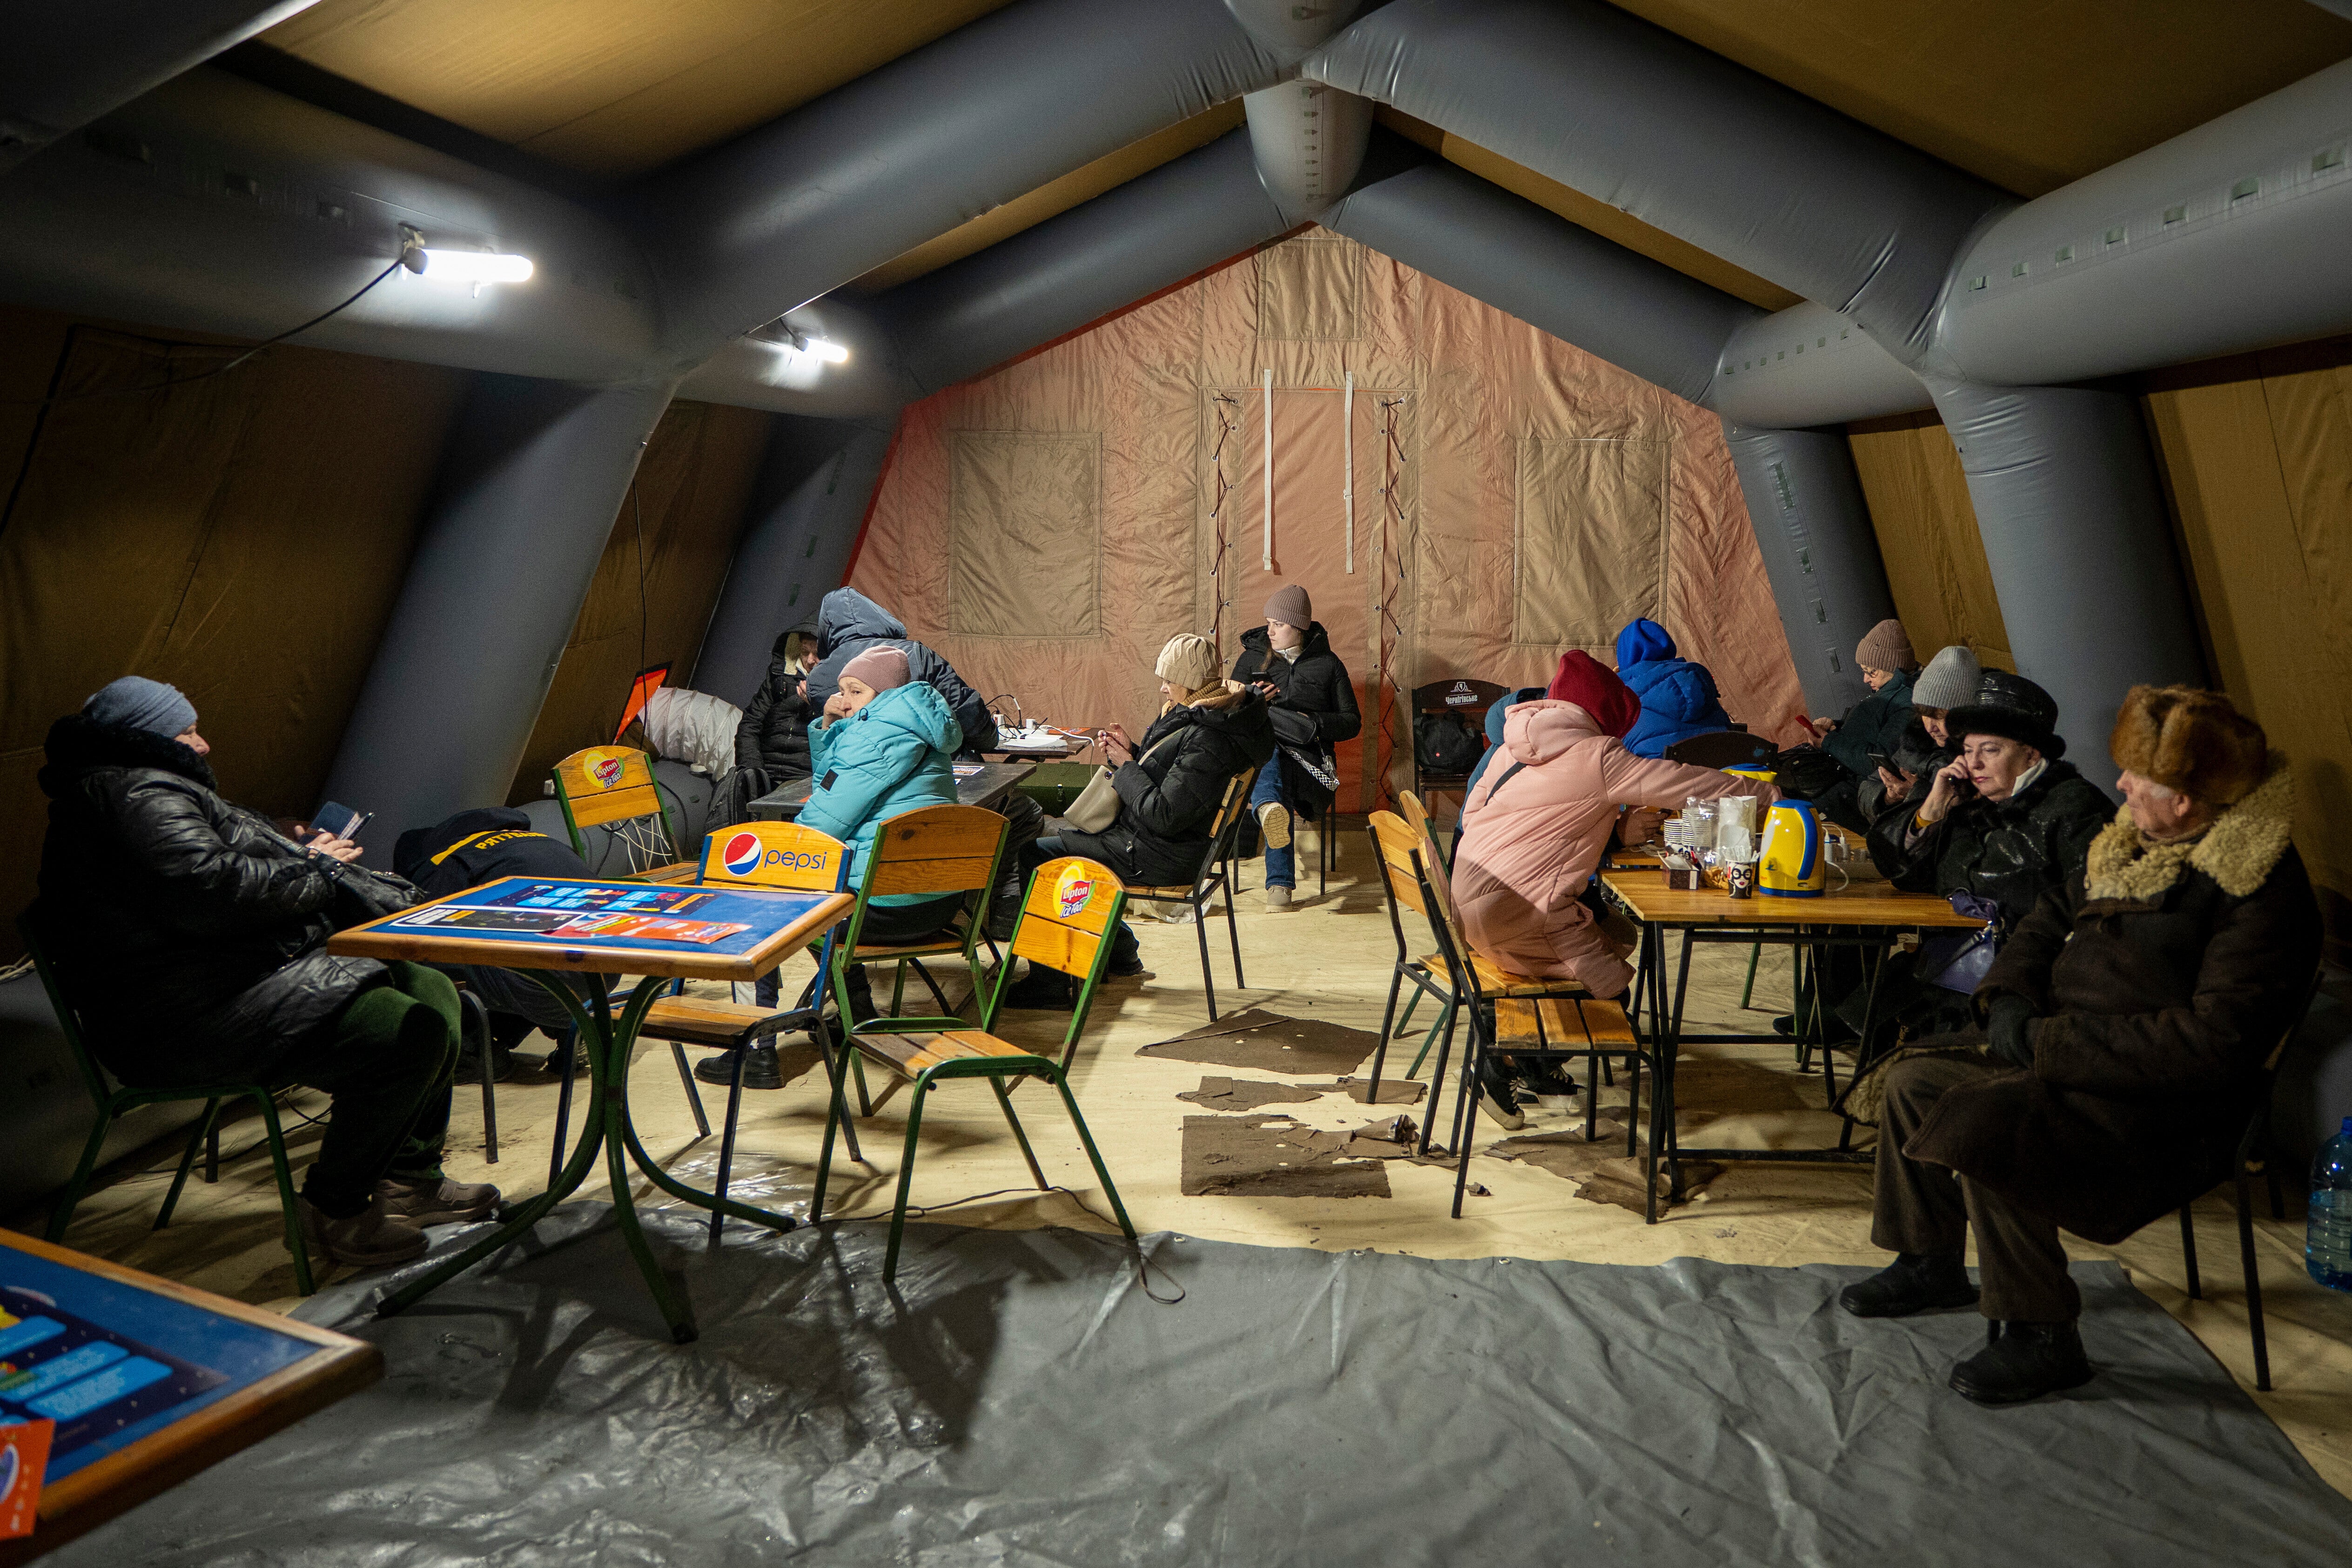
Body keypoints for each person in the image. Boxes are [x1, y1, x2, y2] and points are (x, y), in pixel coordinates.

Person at [1846, 686, 2318, 1405]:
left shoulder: (2255, 888)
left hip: (2159, 1102)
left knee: (1990, 1124)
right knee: (1915, 1081)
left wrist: (2048, 1042)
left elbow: (2212, 1043)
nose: (2120, 785)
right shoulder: (2131, 839)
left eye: (2138, 776)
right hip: (2063, 1053)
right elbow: (2045, 920)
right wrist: (2006, 999)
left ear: (2188, 799)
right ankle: (1929, 1260)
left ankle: (2042, 1334)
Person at [33, 677, 497, 1269]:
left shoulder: (148, 786)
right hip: (182, 1017)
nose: (201, 744)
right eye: (186, 732)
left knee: (428, 987)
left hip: (229, 982)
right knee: (405, 1035)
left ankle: (407, 1179)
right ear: (144, 739)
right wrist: (319, 869)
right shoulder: (135, 794)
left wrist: (295, 844)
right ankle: (334, 1211)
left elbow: (216, 866)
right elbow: (211, 892)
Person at [1452, 652, 1779, 1125]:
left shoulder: (1508, 750)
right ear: (1603, 718)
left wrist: (1610, 832)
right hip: (1520, 916)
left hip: (1470, 910)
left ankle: (1531, 1063)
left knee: (1618, 933)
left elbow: (1492, 822)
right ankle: (1502, 1056)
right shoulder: (1597, 756)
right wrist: (1769, 796)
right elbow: (1685, 785)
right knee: (1612, 994)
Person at [1004, 633, 1273, 1007]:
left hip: (1161, 853)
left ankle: (1050, 983)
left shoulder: (1209, 738)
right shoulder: (1216, 714)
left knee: (1037, 855)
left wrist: (1129, 767)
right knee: (1066, 844)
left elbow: (1164, 815)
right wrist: (1134, 754)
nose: (1163, 688)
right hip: (1164, 842)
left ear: (1191, 682)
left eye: (1169, 680)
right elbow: (1177, 781)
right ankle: (1121, 952)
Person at [796, 647, 972, 1022]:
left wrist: (780, 851)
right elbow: (834, 791)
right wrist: (830, 731)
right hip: (941, 904)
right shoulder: (917, 728)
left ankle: (762, 1043)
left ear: (886, 692)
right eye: (842, 691)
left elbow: (820, 826)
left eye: (856, 691)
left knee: (789, 895)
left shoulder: (876, 736)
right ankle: (851, 1010)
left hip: (885, 910)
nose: (844, 702)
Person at [393, 807, 593, 1081]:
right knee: (519, 949)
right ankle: (571, 1027)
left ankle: (477, 1054)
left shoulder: (448, 862)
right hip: (604, 977)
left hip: (548, 985)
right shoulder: (539, 840)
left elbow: (422, 935)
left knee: (420, 962)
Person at [1231, 586, 1360, 910]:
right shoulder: (1252, 659)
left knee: (1279, 771)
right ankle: (1279, 880)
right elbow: (1227, 714)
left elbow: (1352, 722)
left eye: (1279, 624)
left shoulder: (1329, 665)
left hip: (1310, 765)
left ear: (1300, 627)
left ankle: (1277, 874)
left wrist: (1313, 720)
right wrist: (1252, 699)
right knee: (1272, 754)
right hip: (1261, 761)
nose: (1270, 631)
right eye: (1268, 622)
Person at [802, 588, 998, 756]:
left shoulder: (817, 679)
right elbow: (962, 706)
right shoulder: (915, 653)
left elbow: (831, 741)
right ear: (876, 615)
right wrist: (989, 740)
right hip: (934, 767)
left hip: (860, 773)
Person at [1808, 619, 1918, 831]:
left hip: (1860, 793)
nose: (1866, 679)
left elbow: (1878, 761)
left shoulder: (1905, 705)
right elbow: (1872, 732)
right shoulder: (1893, 693)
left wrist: (1829, 743)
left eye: (1871, 672)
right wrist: (1836, 727)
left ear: (1894, 668)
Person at [1868, 644, 1978, 824]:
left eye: (1939, 717)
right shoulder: (1916, 741)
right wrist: (1888, 798)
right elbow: (1868, 787)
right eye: (1925, 715)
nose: (1931, 728)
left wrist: (1916, 792)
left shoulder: (1978, 759)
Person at [1613, 618, 1733, 759]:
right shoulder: (1701, 687)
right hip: (1719, 777)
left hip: (1656, 779)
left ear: (1625, 656)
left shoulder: (1624, 707)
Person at [733, 623, 820, 785]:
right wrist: (754, 772)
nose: (809, 660)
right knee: (728, 793)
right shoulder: (779, 677)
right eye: (804, 652)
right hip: (765, 769)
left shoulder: (842, 688)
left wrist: (818, 702)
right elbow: (750, 725)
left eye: (817, 653)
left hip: (806, 775)